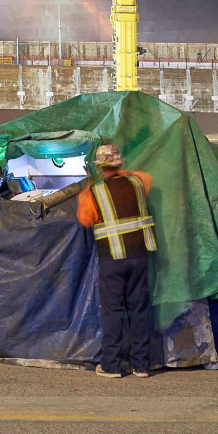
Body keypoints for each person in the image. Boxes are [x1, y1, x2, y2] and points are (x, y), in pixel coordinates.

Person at [75, 142, 155, 379]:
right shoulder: (138, 181)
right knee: (138, 310)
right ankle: (141, 365)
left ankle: (111, 365)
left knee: (112, 311)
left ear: (100, 167)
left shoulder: (92, 191)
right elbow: (143, 176)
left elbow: (85, 220)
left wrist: (90, 186)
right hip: (139, 257)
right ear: (119, 163)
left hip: (112, 260)